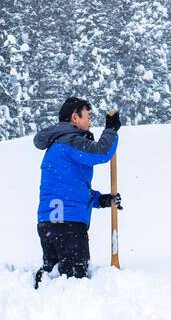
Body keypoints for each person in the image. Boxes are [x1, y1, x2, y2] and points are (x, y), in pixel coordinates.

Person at [33, 96, 123, 288]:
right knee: (73, 285)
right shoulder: (70, 141)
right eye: (87, 116)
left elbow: (73, 190)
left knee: (54, 279)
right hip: (68, 226)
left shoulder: (57, 145)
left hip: (50, 223)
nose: (90, 122)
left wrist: (103, 200)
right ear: (75, 118)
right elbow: (101, 152)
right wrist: (111, 130)